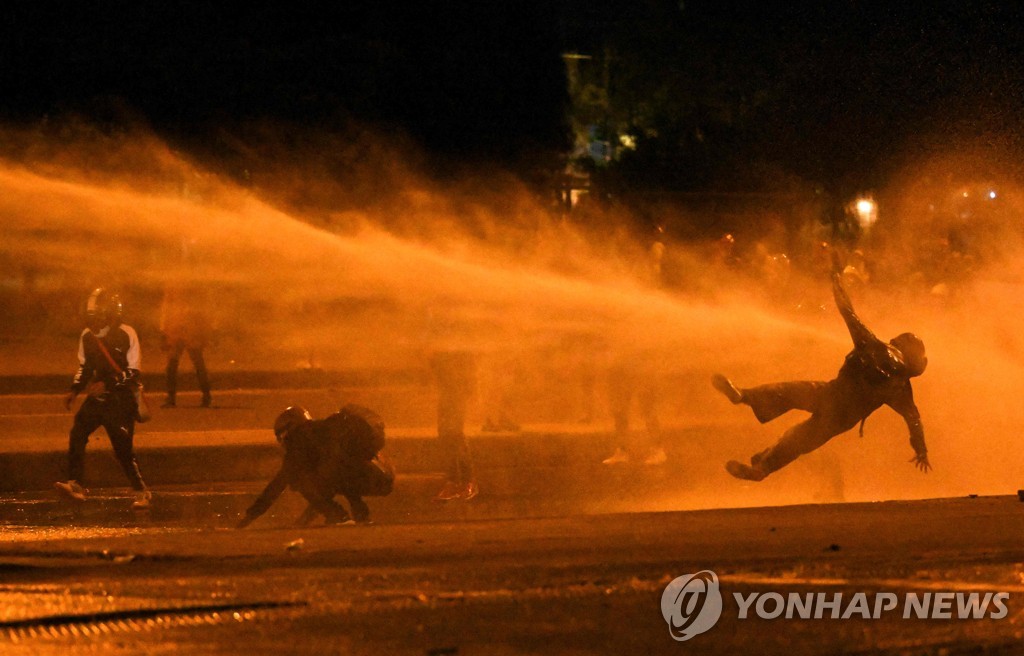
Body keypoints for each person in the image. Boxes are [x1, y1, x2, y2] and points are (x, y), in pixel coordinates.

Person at [714, 252, 930, 481]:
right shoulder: (902, 387)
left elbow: (848, 311)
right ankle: (762, 467)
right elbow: (914, 420)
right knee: (799, 439)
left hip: (829, 394)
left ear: (899, 343)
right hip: (842, 417)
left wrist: (836, 279)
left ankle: (743, 396)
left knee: (787, 392)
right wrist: (921, 451)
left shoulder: (874, 345)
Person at [57, 288, 152, 509]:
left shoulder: (127, 333)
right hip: (98, 399)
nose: (93, 323)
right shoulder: (87, 336)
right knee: (78, 433)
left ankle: (141, 491)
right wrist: (75, 389)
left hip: (121, 400)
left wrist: (108, 384)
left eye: (97, 318)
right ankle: (76, 484)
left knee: (122, 450)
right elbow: (85, 366)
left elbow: (133, 372)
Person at [237, 404, 395, 528]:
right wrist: (302, 522)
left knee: (299, 480)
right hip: (380, 477)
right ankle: (361, 516)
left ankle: (340, 518)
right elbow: (329, 485)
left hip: (362, 476)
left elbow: (278, 485)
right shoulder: (325, 433)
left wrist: (248, 518)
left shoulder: (301, 440)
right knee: (336, 472)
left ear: (288, 430)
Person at [601, 353, 667, 466]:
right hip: (622, 364)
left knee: (647, 408)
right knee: (620, 409)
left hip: (642, 363)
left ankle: (658, 450)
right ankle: (622, 450)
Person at [430, 350, 479, 501]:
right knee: (447, 435)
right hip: (448, 391)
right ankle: (457, 482)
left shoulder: (457, 347)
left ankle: (464, 482)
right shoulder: (446, 346)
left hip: (455, 390)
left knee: (454, 434)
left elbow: (466, 366)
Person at [159, 279, 212, 408]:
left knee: (180, 363)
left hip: (183, 328)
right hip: (183, 328)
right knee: (194, 363)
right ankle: (205, 395)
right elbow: (167, 306)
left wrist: (163, 329)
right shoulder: (194, 283)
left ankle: (172, 397)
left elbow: (166, 307)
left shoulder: (177, 283)